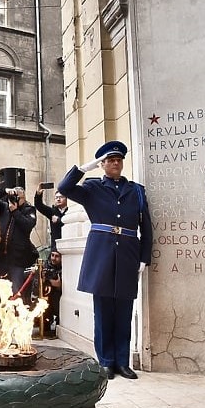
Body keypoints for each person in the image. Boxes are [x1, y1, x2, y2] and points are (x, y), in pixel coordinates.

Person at [57, 140, 152, 380]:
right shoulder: (91, 188)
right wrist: (83, 168)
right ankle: (106, 361)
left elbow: (146, 227)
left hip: (128, 253)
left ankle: (122, 361)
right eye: (110, 160)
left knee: (124, 311)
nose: (115, 164)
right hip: (101, 255)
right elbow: (65, 187)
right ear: (103, 165)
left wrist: (144, 257)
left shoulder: (136, 191)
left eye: (118, 160)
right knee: (103, 311)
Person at [0, 185, 38, 300]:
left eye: (18, 198)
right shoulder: (4, 207)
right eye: (13, 197)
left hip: (18, 259)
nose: (15, 200)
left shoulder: (29, 209)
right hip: (2, 257)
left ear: (24, 198)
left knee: (17, 291)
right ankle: (3, 315)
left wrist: (15, 211)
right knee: (2, 291)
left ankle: (17, 316)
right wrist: (3, 190)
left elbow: (28, 225)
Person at [33, 248, 62, 338]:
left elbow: (59, 285)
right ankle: (44, 327)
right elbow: (38, 284)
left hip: (57, 295)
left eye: (57, 256)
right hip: (45, 294)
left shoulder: (64, 267)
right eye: (52, 255)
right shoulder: (45, 265)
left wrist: (49, 281)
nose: (53, 258)